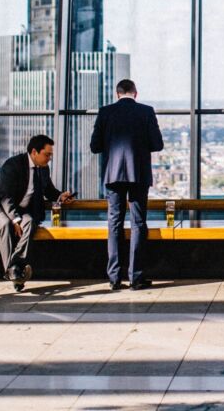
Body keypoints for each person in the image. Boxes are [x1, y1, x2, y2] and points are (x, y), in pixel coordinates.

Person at [90, 78, 163, 291]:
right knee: (138, 223)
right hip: (138, 174)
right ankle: (136, 277)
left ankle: (114, 278)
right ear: (136, 93)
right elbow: (157, 144)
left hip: (113, 175)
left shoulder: (105, 112)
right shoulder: (147, 111)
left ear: (117, 94)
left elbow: (95, 146)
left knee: (114, 223)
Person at [0, 134, 75, 292]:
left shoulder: (43, 169)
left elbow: (48, 189)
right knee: (5, 224)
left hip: (20, 210)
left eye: (51, 155)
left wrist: (60, 196)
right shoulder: (13, 165)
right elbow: (5, 196)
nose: (49, 158)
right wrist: (15, 219)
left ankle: (14, 268)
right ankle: (15, 271)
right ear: (34, 152)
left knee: (30, 222)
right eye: (47, 154)